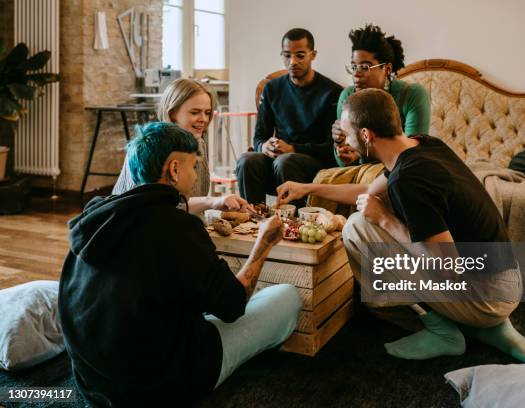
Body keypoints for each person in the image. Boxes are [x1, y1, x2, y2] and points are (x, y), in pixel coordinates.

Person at [276, 89, 525, 363]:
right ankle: (489, 328)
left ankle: (443, 331)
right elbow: (369, 189)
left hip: (490, 296)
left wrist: (384, 220)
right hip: (505, 281)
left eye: (346, 133)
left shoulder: (409, 180)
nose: (344, 141)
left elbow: (448, 268)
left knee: (356, 229)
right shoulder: (422, 144)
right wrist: (306, 187)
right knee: (372, 213)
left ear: (366, 135)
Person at [60, 122, 302, 406]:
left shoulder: (96, 215)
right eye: (193, 167)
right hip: (160, 385)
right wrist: (264, 245)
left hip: (93, 382)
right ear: (174, 169)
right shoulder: (178, 229)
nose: (194, 174)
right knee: (287, 296)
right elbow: (233, 306)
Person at [235, 28, 343, 206]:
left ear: (313, 55)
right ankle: (252, 218)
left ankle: (294, 223)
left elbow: (330, 148)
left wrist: (293, 148)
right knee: (247, 160)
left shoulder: (331, 92)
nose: (292, 62)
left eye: (300, 55)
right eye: (287, 55)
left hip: (313, 162)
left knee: (285, 161)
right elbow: (259, 137)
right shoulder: (272, 89)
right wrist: (264, 147)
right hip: (280, 159)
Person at [113, 78, 251, 214]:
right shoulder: (151, 148)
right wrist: (212, 202)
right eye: (195, 112)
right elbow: (153, 208)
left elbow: (186, 202)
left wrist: (217, 202)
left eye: (207, 113)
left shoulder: (198, 143)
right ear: (172, 114)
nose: (204, 119)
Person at [333, 24, 430, 167]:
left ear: (387, 69)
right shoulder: (348, 97)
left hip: (402, 171)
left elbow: (412, 156)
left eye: (365, 67)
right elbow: (343, 166)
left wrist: (362, 153)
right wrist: (342, 147)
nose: (356, 74)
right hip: (362, 173)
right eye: (354, 67)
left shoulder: (412, 95)